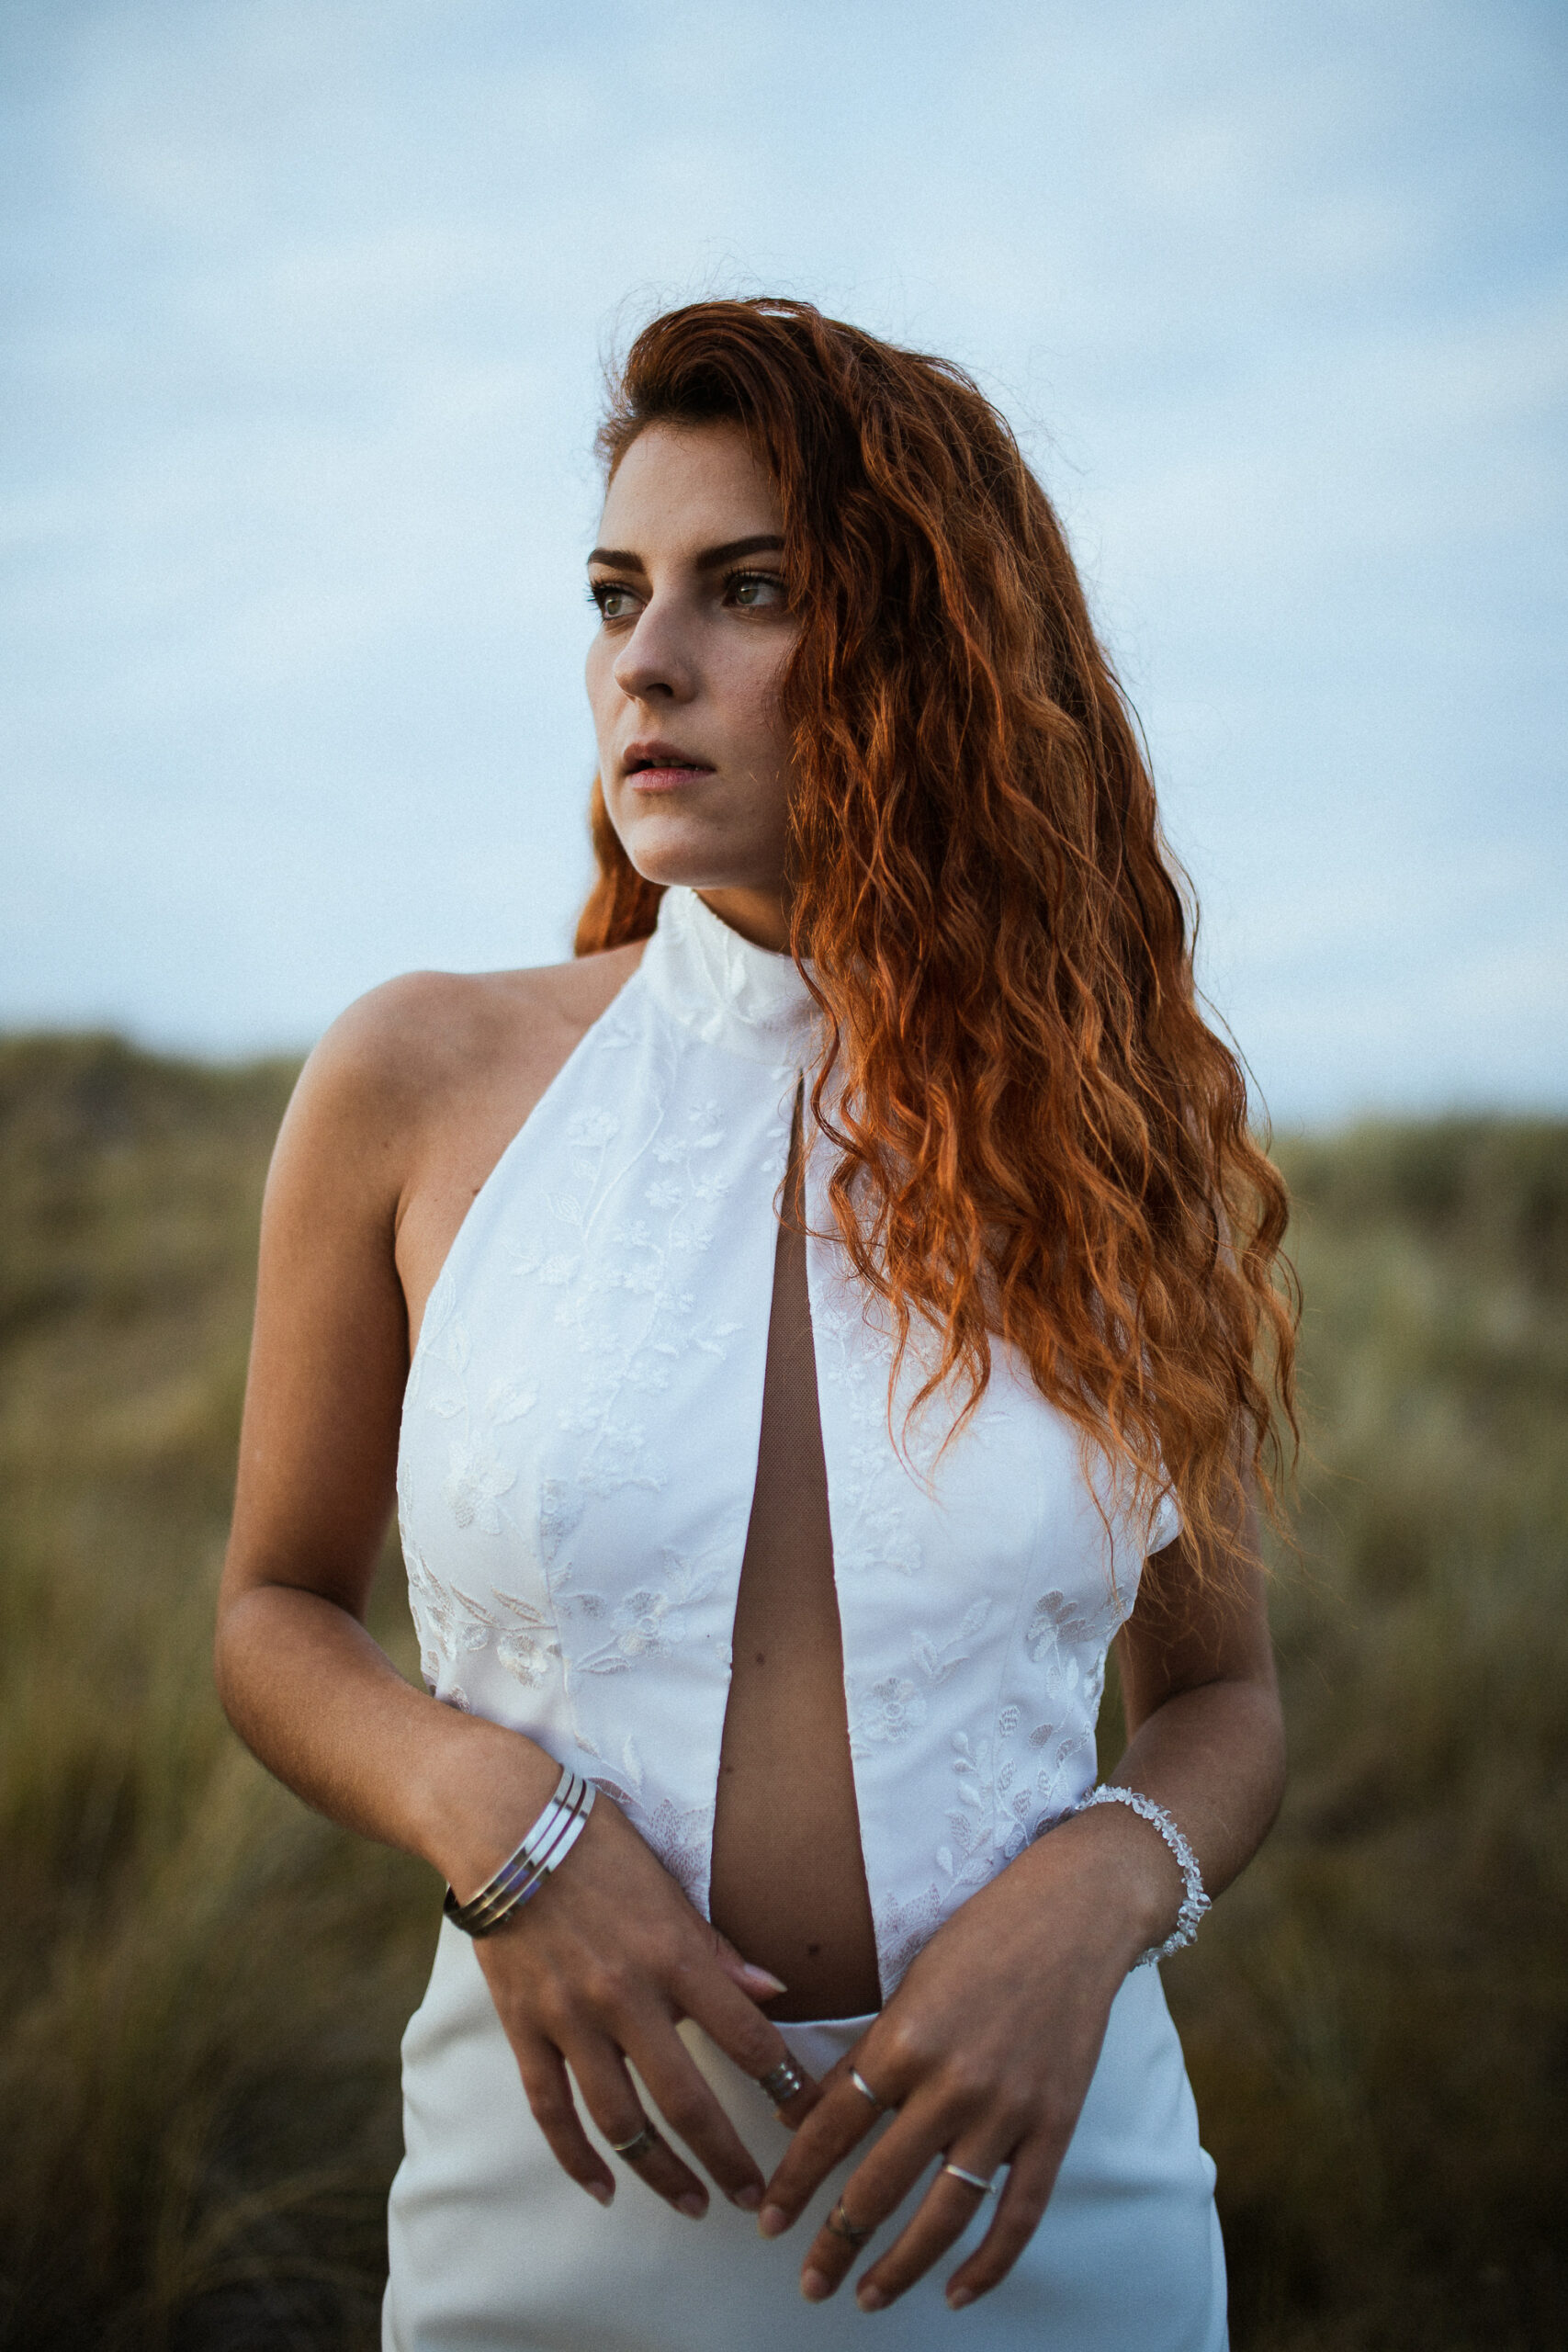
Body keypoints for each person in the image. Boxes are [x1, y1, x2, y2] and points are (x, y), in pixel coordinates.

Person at [216, 297, 1295, 2350]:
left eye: (748, 590)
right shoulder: (418, 1080)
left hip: (1035, 2197)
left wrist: (1098, 1890)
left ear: (923, 650)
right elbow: (274, 1608)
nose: (646, 654)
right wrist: (493, 1819)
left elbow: (1217, 1700)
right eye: (618, 593)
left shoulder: (1116, 1122)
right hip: (553, 2197)